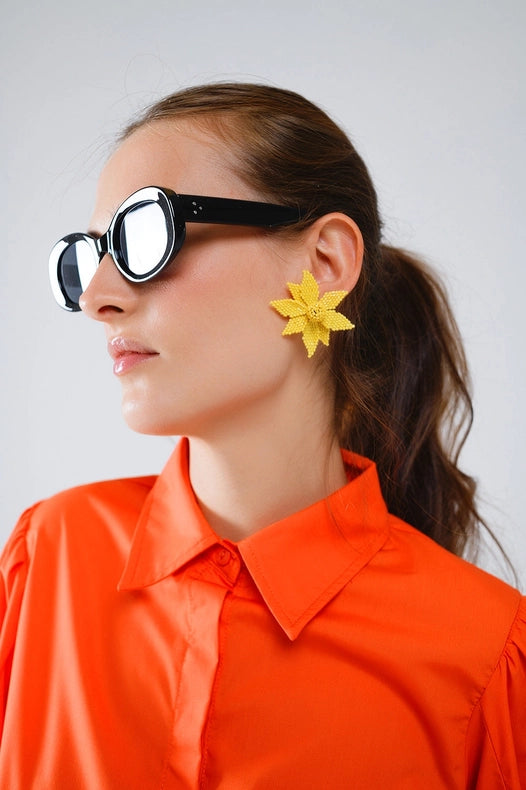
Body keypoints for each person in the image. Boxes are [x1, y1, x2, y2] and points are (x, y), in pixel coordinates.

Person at [0, 83, 524, 789]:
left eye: (144, 236)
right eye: (90, 254)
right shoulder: (47, 559)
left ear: (325, 263)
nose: (97, 297)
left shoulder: (486, 656)